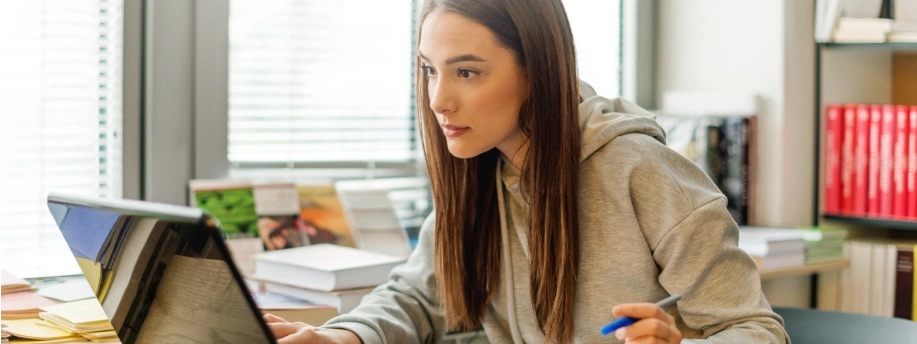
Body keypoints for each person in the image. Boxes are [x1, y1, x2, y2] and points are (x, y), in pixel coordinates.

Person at [264, 0, 790, 342]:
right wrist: (343, 336)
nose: (438, 99)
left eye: (466, 72)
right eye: (429, 70)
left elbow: (755, 329)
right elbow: (417, 298)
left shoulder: (641, 172)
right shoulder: (478, 172)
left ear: (538, 69)